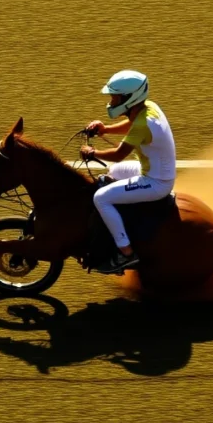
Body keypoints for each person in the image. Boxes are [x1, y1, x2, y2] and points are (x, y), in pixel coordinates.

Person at [80, 70, 176, 274]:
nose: (111, 101)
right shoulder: (147, 108)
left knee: (101, 198)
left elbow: (118, 154)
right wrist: (104, 129)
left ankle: (125, 252)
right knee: (113, 172)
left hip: (156, 181)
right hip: (151, 169)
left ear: (129, 98)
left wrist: (92, 152)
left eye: (115, 97)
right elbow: (132, 126)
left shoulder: (145, 123)